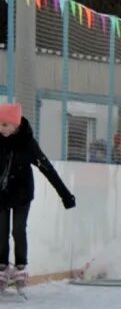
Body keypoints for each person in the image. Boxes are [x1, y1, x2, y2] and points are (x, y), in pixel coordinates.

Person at [0, 103, 76, 291]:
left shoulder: (28, 144)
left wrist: (65, 195)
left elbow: (48, 169)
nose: (1, 129)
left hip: (22, 193)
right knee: (0, 232)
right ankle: (1, 267)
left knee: (18, 230)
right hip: (1, 194)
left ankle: (20, 267)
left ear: (16, 124)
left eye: (5, 125)